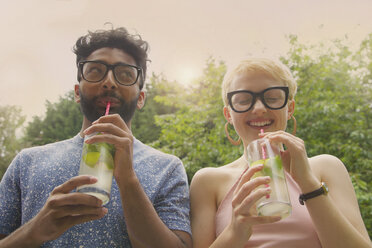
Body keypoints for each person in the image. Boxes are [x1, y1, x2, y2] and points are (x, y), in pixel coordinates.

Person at [0, 27, 192, 247]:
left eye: (125, 74)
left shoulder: (167, 168)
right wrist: (34, 231)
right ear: (77, 92)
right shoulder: (27, 162)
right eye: (95, 71)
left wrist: (128, 181)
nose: (109, 82)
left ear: (141, 98)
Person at [190, 58, 371, 247]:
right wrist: (235, 231)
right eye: (243, 100)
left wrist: (308, 184)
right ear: (228, 114)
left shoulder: (326, 167)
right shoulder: (207, 181)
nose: (259, 108)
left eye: (272, 98)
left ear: (289, 108)